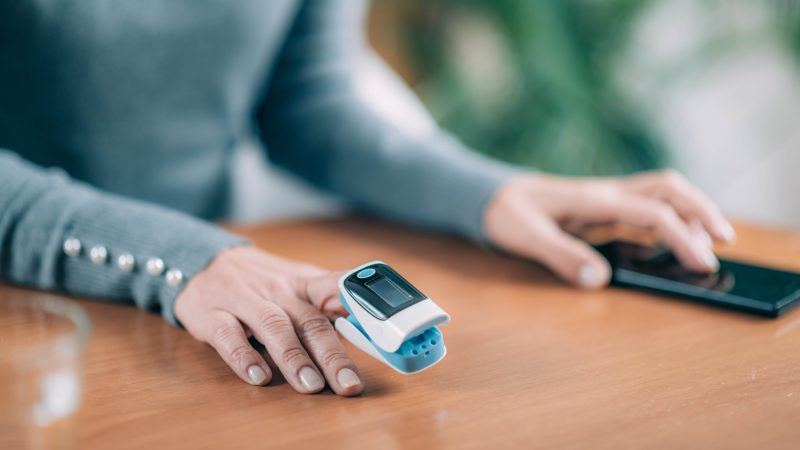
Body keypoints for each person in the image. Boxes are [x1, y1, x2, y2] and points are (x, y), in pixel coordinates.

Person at [0, 0, 734, 397]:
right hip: (39, 324)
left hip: (207, 319)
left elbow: (306, 104)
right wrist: (185, 260)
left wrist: (499, 191)